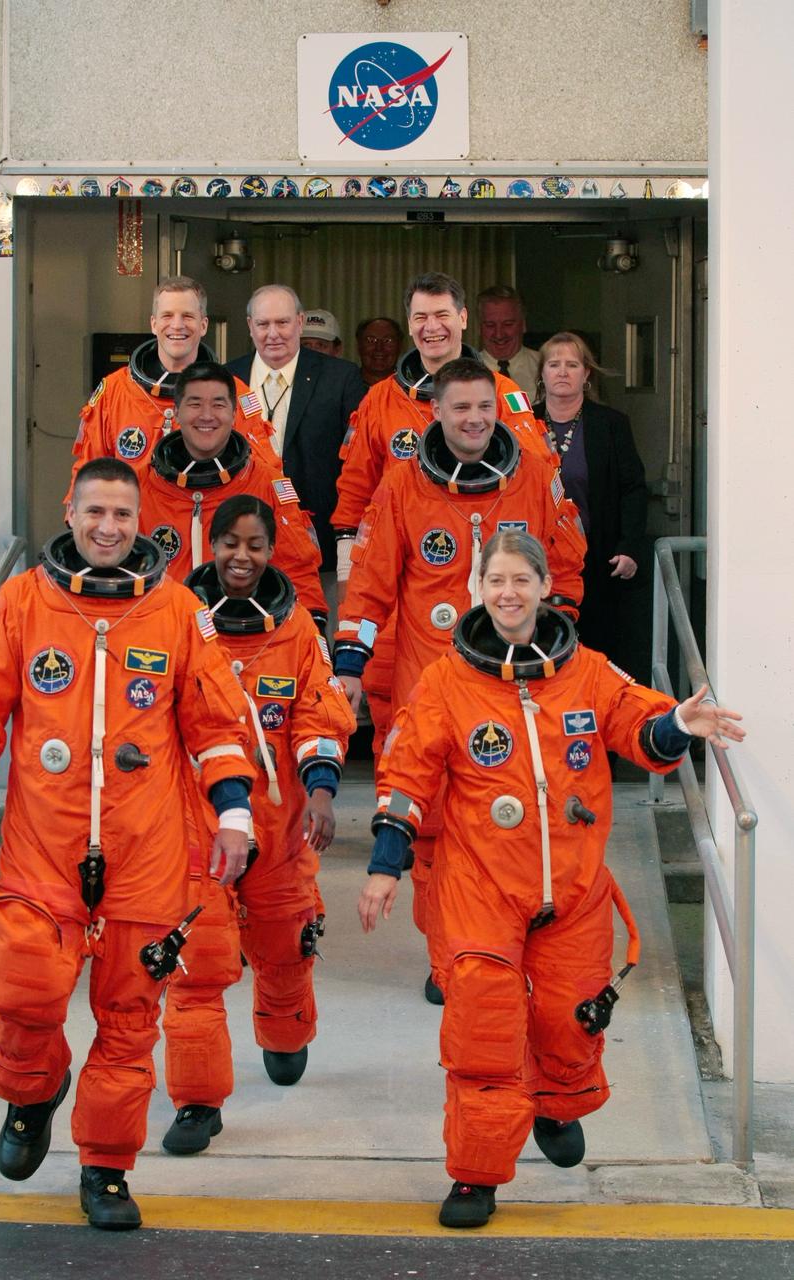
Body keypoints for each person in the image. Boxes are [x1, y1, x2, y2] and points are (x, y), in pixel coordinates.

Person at [357, 530, 745, 1229]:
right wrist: (386, 868)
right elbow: (406, 775)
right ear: (477, 589)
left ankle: (557, 1103)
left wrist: (680, 721)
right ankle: (476, 1175)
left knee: (567, 1023)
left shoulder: (588, 671)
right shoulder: (445, 682)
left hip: (570, 892)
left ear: (542, 587)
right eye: (495, 580)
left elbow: (642, 733)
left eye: (520, 580)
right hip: (480, 890)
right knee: (481, 1029)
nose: (507, 593)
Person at [0, 457, 255, 1231]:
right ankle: (31, 1092)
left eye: (121, 514)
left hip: (145, 851)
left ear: (140, 521)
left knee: (129, 1015)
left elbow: (214, 723)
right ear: (70, 513)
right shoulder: (23, 602)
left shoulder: (178, 612)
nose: (108, 528)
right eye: (94, 513)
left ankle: (106, 1170)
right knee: (23, 995)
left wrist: (234, 814)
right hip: (44, 846)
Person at [334, 360, 586, 998]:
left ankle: (503, 945)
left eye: (483, 407)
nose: (474, 419)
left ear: (497, 410)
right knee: (432, 829)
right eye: (460, 408)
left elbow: (565, 566)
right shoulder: (402, 485)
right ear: (438, 414)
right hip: (435, 683)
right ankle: (448, 955)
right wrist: (350, 668)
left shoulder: (532, 475)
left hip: (519, 685)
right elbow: (369, 585)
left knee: (512, 818)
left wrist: (559, 652)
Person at [161, 495, 356, 1155]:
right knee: (196, 966)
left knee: (282, 947)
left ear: (272, 551)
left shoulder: (296, 629)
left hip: (278, 828)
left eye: (254, 544)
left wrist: (323, 792)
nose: (240, 557)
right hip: (200, 827)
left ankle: (284, 1028)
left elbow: (319, 713)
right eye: (228, 543)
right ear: (207, 546)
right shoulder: (175, 622)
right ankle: (196, 1102)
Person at [333, 273, 553, 761]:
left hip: (499, 583)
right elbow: (353, 503)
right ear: (409, 326)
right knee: (403, 722)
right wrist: (355, 594)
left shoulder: (504, 395)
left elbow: (540, 489)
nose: (433, 327)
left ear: (462, 319)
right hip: (408, 590)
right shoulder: (379, 402)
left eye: (442, 316)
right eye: (421, 318)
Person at [136, 362, 327, 627]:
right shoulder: (140, 486)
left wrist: (314, 631)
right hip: (162, 636)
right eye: (194, 404)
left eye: (218, 404)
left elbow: (299, 570)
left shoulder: (265, 483)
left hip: (243, 640)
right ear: (176, 413)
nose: (207, 415)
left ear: (235, 412)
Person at [68, 275, 277, 499]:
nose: (177, 325)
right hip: (136, 524)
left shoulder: (235, 393)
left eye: (187, 316)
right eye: (167, 316)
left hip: (211, 521)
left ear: (204, 324)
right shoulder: (114, 391)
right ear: (153, 323)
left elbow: (267, 474)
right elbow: (88, 474)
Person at [226, 284, 365, 582]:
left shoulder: (341, 377)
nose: (273, 333)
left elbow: (358, 464)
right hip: (239, 545)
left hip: (320, 548)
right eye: (263, 324)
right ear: (250, 327)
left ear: (300, 322)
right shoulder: (226, 378)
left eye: (282, 322)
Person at [533, 331, 649, 675]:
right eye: (554, 364)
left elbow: (633, 489)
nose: (563, 372)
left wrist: (629, 548)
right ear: (542, 373)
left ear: (586, 374)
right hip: (536, 561)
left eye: (572, 364)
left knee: (596, 654)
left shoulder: (611, 425)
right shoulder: (521, 423)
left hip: (597, 562)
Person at [477, 285, 539, 400]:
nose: (499, 334)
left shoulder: (544, 367)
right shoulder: (463, 372)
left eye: (508, 324)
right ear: (479, 328)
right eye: (490, 325)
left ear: (523, 325)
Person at [355, 315, 404, 388]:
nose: (379, 348)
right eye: (371, 340)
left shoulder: (411, 390)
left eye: (387, 341)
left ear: (400, 346)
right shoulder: (344, 388)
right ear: (359, 346)